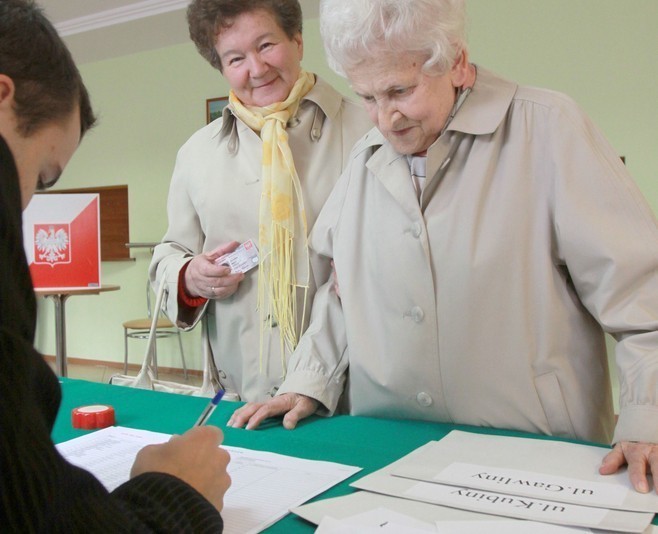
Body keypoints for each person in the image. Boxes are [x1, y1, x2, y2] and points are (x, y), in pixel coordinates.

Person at [228, 0, 658, 494]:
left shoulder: (549, 128)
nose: (385, 118)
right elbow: (340, 292)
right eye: (366, 96)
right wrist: (308, 379)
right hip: (392, 450)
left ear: (456, 61)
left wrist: (649, 415)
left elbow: (642, 296)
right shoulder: (365, 158)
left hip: (534, 455)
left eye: (399, 90)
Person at [0, 1, 231, 530]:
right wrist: (172, 499)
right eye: (42, 177)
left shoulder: (354, 134)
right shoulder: (199, 149)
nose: (29, 205)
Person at [149, 0, 370, 402]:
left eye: (266, 45)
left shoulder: (367, 131)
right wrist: (190, 276)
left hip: (353, 398)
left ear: (298, 40)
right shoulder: (196, 154)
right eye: (236, 58)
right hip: (242, 400)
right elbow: (170, 253)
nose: (256, 68)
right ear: (221, 68)